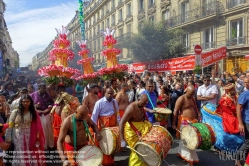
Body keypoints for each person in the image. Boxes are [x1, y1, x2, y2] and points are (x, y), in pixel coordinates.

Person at [5, 94, 45, 165]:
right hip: (18, 135)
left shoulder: (33, 113)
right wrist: (8, 138)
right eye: (24, 101)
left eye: (27, 101)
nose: (25, 103)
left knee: (30, 151)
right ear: (21, 102)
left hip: (30, 135)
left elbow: (38, 127)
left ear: (30, 102)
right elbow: (10, 126)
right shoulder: (15, 112)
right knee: (20, 151)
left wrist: (37, 138)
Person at [119, 94, 152, 166]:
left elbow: (143, 108)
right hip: (132, 132)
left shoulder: (141, 105)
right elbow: (121, 123)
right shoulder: (130, 108)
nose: (145, 104)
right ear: (138, 99)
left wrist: (150, 110)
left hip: (141, 130)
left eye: (146, 103)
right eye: (144, 103)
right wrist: (122, 140)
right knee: (137, 151)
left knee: (144, 149)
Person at [91, 88, 120, 166]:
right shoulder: (99, 103)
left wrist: (119, 125)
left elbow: (117, 114)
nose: (110, 95)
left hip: (113, 126)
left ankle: (111, 161)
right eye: (108, 93)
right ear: (105, 93)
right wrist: (95, 131)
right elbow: (94, 117)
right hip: (103, 126)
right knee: (104, 144)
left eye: (111, 93)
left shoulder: (114, 102)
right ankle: (103, 162)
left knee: (113, 144)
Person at [172, 85, 200, 166]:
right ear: (186, 91)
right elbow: (175, 111)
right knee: (188, 140)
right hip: (184, 121)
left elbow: (195, 108)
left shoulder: (192, 98)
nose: (192, 95)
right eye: (191, 94)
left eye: (193, 94)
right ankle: (190, 158)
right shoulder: (181, 98)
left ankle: (182, 154)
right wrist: (173, 123)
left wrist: (198, 115)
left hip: (193, 121)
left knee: (188, 139)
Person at [30, 83, 54, 150]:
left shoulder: (47, 95)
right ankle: (43, 146)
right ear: (39, 88)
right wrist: (35, 107)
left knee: (49, 130)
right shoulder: (32, 95)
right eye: (43, 88)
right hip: (38, 115)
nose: (45, 89)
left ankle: (50, 145)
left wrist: (50, 107)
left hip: (46, 114)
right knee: (42, 131)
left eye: (45, 88)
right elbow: (29, 105)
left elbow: (53, 102)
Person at [237, 77, 249, 166]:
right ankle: (237, 159)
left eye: (248, 82)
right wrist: (240, 123)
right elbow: (238, 108)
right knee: (247, 143)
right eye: (245, 82)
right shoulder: (245, 94)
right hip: (247, 121)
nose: (246, 84)